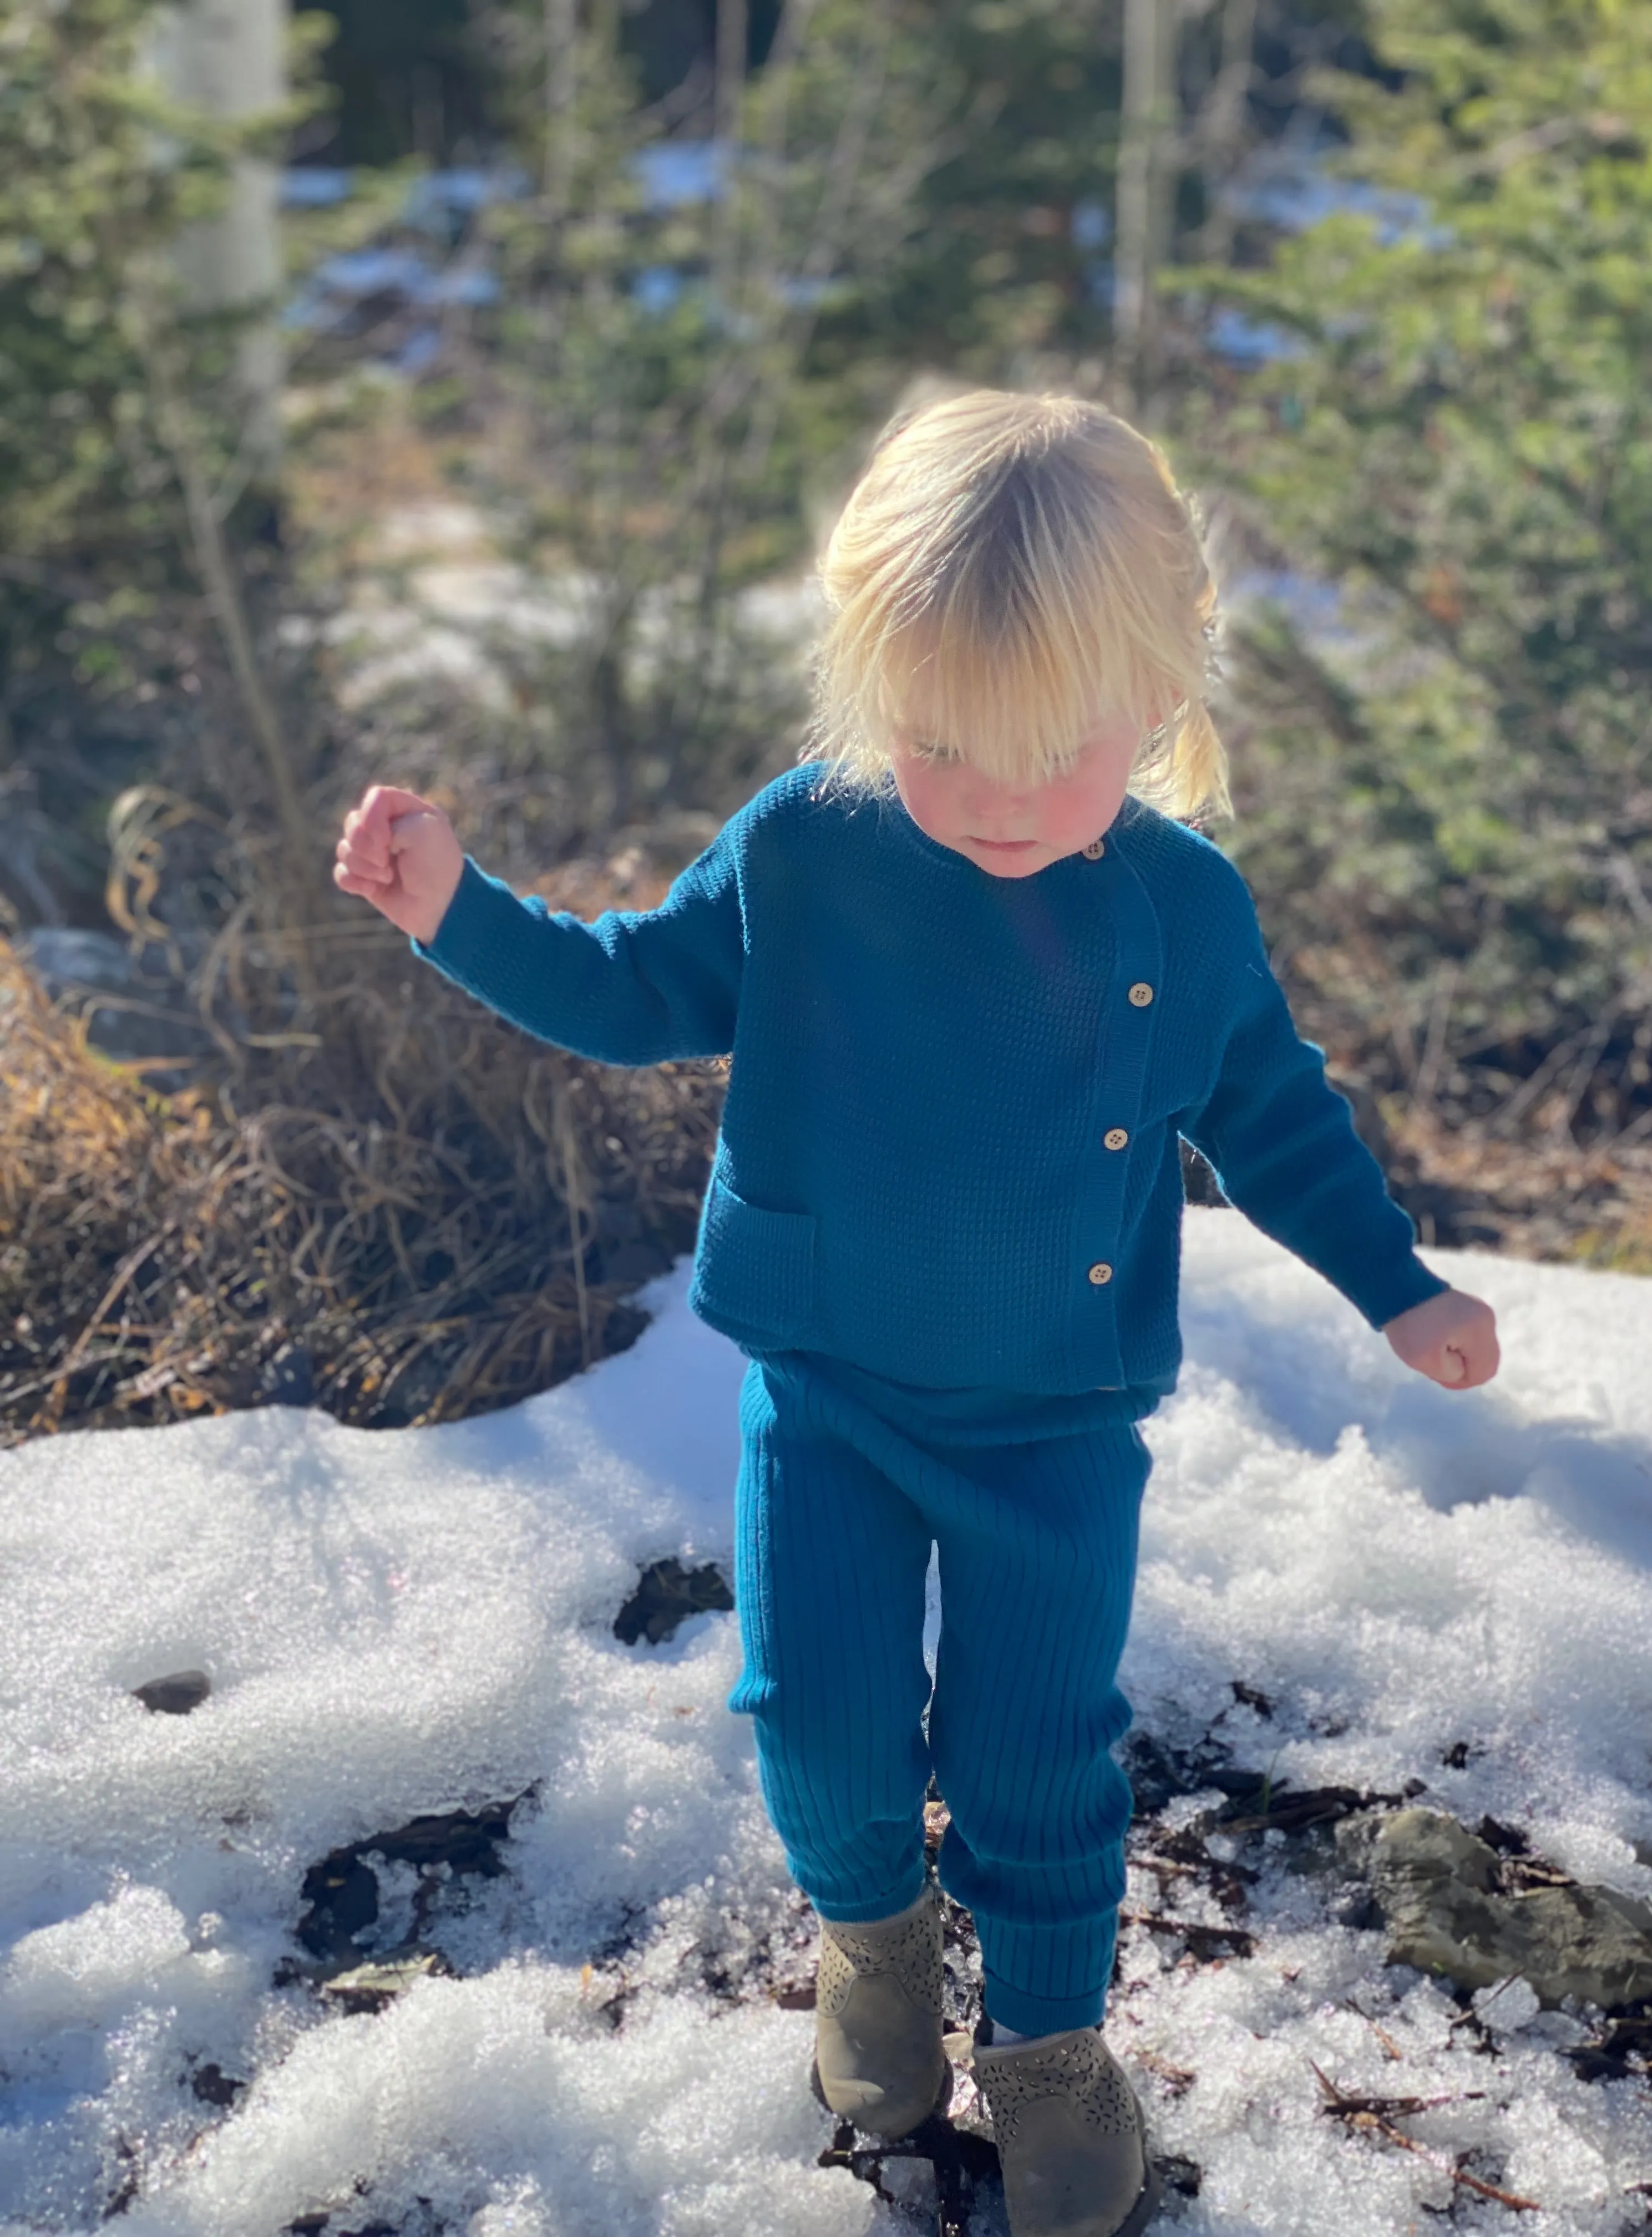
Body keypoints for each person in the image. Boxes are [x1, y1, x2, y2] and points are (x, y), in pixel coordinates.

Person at [333, 390, 1499, 2237]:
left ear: (1165, 690)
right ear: (872, 688)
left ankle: (1046, 2047)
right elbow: (639, 989)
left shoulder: (1180, 909)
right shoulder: (811, 845)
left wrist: (1398, 1285)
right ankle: (872, 1950)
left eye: (1061, 750)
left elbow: (1271, 1111)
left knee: (1039, 1754)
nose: (1004, 801)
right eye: (947, 745)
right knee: (817, 1711)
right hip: (828, 1380)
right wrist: (457, 909)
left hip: (1051, 1418)